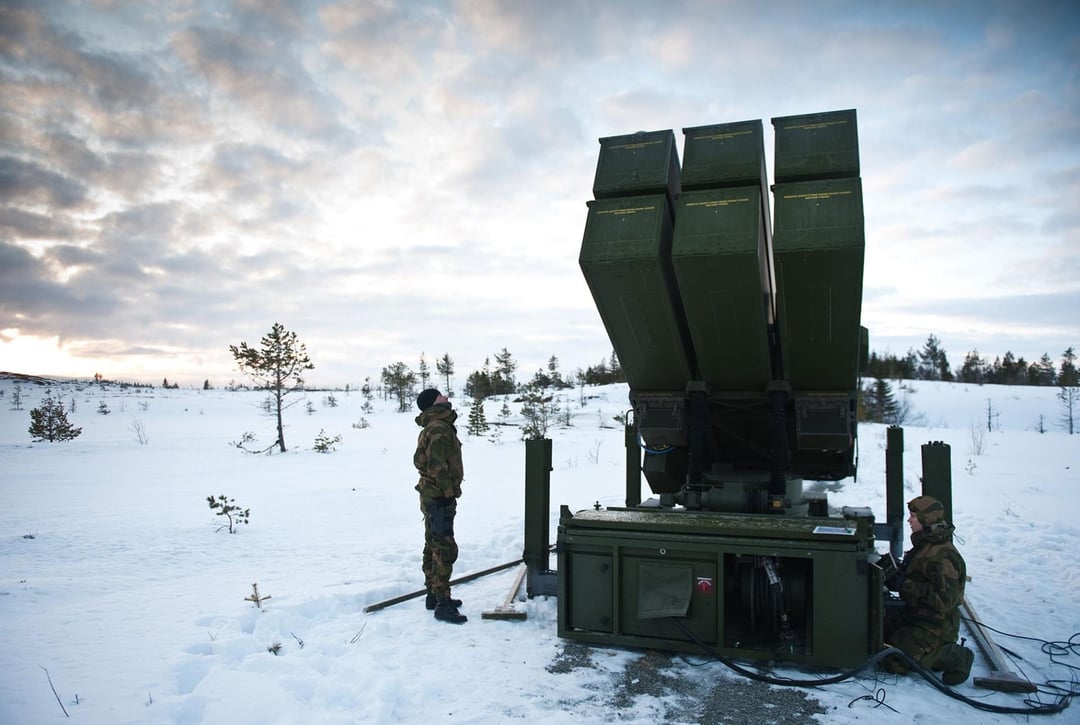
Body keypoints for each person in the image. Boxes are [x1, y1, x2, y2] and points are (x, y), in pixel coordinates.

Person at [884, 495, 974, 685]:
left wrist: (905, 585)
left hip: (936, 626)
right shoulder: (926, 544)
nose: (909, 520)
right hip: (916, 616)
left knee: (895, 661)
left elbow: (944, 601)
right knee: (877, 635)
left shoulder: (942, 556)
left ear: (927, 519)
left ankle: (955, 657)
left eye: (914, 517)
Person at [413, 388, 467, 624]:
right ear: (434, 403)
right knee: (443, 548)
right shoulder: (438, 428)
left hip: (431, 494)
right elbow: (437, 467)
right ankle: (442, 603)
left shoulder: (437, 425)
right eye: (441, 396)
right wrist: (447, 493)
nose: (446, 397)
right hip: (438, 496)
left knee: (432, 544)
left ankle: (433, 595)